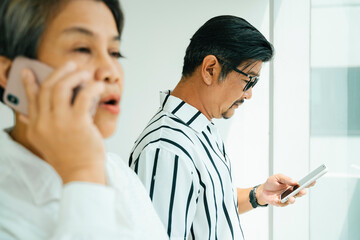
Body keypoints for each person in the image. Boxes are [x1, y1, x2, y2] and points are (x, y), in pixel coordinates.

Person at [129, 15, 310, 240]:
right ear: (210, 69)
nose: (249, 94)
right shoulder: (167, 149)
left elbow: (207, 205)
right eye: (249, 80)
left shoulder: (199, 129)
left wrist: (259, 194)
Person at [0, 0, 167, 239]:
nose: (111, 71)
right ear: (9, 73)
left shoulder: (119, 171)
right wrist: (82, 174)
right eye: (83, 49)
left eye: (114, 52)